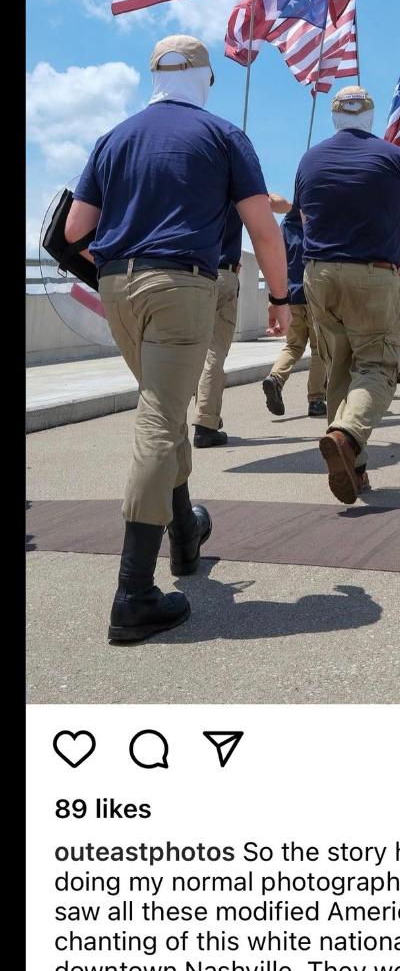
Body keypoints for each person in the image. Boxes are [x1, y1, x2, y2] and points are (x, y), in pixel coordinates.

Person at [64, 35, 290, 645]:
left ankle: (186, 533)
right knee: (162, 417)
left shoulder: (114, 137)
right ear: (207, 80)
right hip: (182, 284)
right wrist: (278, 298)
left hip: (118, 286)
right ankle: (133, 593)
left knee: (160, 406)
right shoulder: (222, 136)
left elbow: (75, 229)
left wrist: (119, 268)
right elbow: (264, 231)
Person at [294, 84, 400, 504]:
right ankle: (348, 434)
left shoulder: (309, 159)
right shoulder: (394, 157)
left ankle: (355, 468)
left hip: (320, 274)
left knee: (340, 365)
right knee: (379, 364)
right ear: (370, 117)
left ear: (335, 117)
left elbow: (303, 218)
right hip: (373, 272)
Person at [262, 195, 328, 419]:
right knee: (320, 349)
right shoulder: (315, 227)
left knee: (293, 346)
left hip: (289, 296)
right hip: (313, 294)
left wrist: (275, 298)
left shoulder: (284, 228)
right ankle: (316, 399)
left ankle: (275, 378)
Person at [191, 203, 243, 448]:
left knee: (186, 351)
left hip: (190, 274)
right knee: (214, 352)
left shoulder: (194, 182)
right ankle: (205, 424)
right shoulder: (236, 181)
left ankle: (173, 422)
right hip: (222, 274)